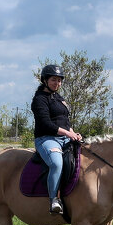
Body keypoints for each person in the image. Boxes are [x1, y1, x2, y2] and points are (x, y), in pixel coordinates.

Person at [31, 64, 82, 214]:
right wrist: (67, 134)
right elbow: (46, 124)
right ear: (45, 80)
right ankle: (54, 199)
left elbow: (64, 121)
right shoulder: (39, 99)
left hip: (65, 137)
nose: (57, 83)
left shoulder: (59, 98)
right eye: (54, 80)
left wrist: (74, 133)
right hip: (47, 139)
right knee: (56, 163)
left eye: (59, 81)